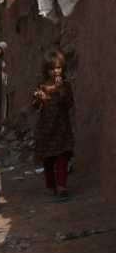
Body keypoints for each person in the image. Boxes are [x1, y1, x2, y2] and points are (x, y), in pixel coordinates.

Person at [32, 49, 74, 198]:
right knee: (48, 160)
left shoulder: (66, 85)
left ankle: (62, 186)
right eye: (52, 68)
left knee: (62, 157)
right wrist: (39, 99)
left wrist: (60, 90)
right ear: (46, 70)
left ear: (62, 68)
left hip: (61, 127)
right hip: (46, 128)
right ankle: (51, 185)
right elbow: (35, 106)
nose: (55, 71)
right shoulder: (42, 86)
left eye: (58, 68)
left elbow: (69, 103)